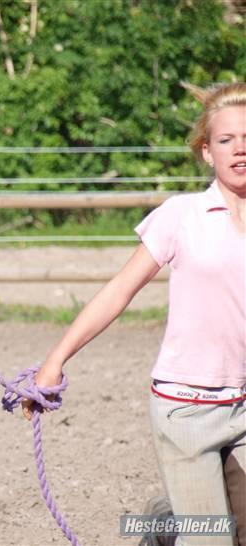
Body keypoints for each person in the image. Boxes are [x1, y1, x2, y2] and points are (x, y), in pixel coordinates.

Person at [22, 82, 246, 546]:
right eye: (226, 140)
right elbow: (118, 292)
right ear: (207, 152)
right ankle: (172, 532)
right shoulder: (180, 216)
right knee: (211, 540)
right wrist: (55, 360)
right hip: (187, 410)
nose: (240, 150)